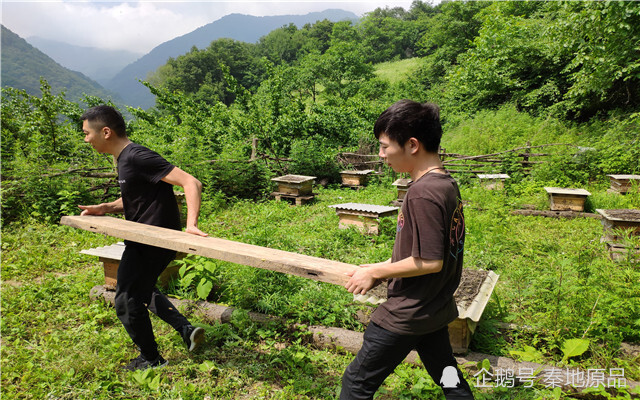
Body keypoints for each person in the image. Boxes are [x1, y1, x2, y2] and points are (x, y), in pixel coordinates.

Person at [340, 100, 474, 400]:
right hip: (434, 309)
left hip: (408, 312)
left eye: (385, 146)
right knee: (448, 377)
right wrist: (376, 267)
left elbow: (430, 261)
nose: (381, 154)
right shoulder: (445, 185)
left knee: (355, 384)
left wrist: (376, 271)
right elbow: (422, 250)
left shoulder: (423, 193)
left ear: (412, 145)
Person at [78, 105, 208, 371]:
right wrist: (104, 208)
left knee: (125, 300)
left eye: (86, 133)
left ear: (105, 132)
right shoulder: (125, 159)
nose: (86, 139)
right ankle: (185, 329)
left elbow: (191, 182)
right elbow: (137, 198)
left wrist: (191, 225)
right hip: (143, 239)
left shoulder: (136, 156)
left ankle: (151, 359)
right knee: (144, 289)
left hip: (153, 242)